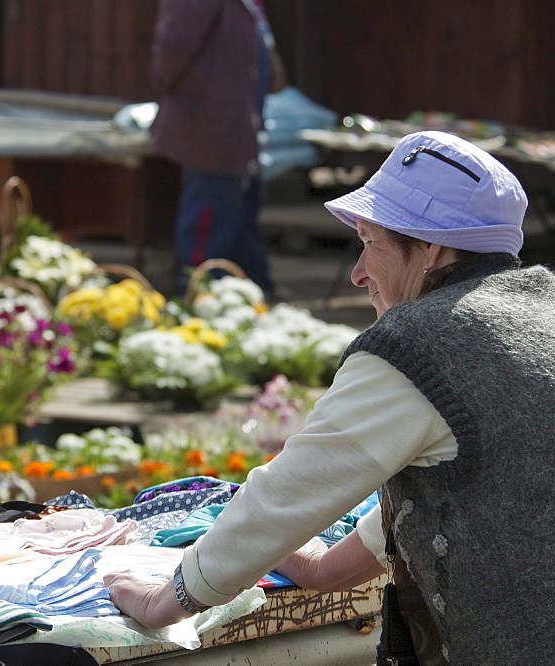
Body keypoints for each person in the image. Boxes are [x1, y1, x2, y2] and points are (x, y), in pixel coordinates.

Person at [104, 130, 555, 663]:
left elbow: (286, 493)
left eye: (369, 242)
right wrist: (328, 568)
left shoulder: (417, 345)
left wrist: (166, 600)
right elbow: (491, 472)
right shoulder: (541, 311)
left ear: (431, 249)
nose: (357, 273)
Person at [149, 0, 281, 296]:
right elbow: (172, 47)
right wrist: (197, 100)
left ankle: (252, 294)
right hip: (210, 123)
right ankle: (198, 294)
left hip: (235, 125)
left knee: (240, 212)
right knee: (209, 216)